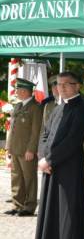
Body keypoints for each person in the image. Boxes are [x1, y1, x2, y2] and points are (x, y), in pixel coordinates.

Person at [34, 72, 84, 239]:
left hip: (69, 166)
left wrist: (50, 160)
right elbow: (45, 134)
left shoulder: (82, 109)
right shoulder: (58, 108)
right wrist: (42, 156)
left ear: (77, 86)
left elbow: (73, 140)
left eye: (67, 84)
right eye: (59, 84)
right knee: (51, 208)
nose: (62, 88)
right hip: (51, 166)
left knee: (67, 209)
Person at [5, 78, 42, 217]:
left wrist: (31, 149)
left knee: (29, 178)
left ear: (26, 91)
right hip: (15, 148)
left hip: (26, 150)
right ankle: (17, 204)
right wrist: (9, 148)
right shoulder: (18, 106)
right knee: (16, 178)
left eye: (19, 90)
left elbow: (36, 130)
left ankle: (29, 206)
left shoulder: (35, 107)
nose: (17, 92)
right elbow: (12, 129)